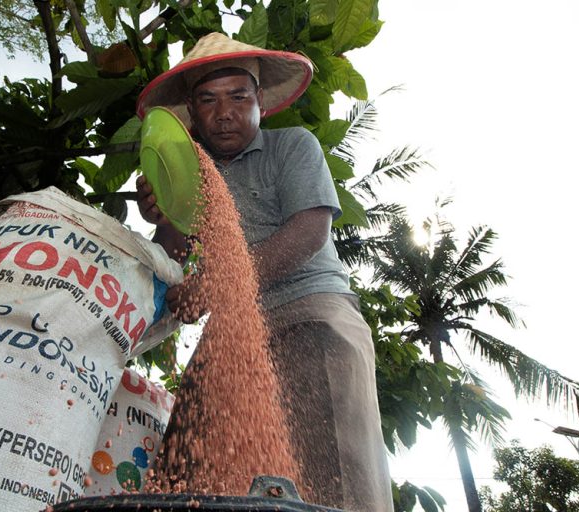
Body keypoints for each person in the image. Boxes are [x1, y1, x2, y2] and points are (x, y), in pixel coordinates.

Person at [135, 32, 393, 512]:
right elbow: (172, 256)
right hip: (231, 328)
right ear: (190, 112)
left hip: (311, 311)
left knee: (330, 470)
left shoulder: (293, 146)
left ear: (261, 103)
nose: (224, 111)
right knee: (182, 465)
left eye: (239, 96)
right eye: (208, 100)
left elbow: (309, 231)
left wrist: (215, 287)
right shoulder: (192, 173)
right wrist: (161, 217)